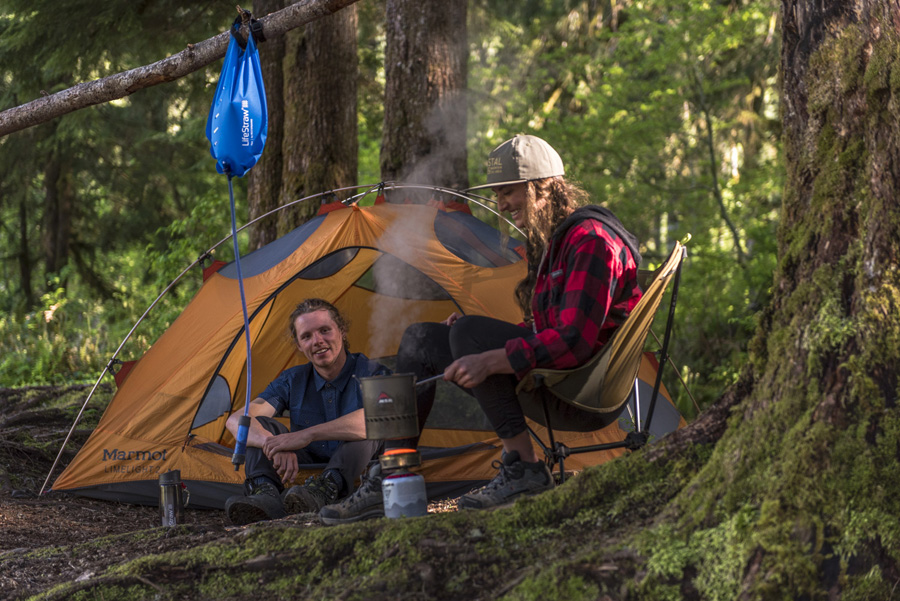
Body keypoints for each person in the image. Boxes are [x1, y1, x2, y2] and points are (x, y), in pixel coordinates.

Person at [318, 134, 643, 524]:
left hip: (583, 392)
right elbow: (547, 329)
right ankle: (391, 473)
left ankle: (523, 467)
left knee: (469, 335)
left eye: (509, 192)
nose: (501, 204)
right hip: (559, 377)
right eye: (498, 194)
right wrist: (484, 342)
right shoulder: (558, 241)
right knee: (420, 339)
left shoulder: (590, 241)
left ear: (542, 188)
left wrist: (492, 355)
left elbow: (574, 341)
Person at [224, 298, 389, 526]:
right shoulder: (293, 380)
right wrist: (272, 444)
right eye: (307, 336)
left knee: (370, 425)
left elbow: (383, 417)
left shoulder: (371, 372)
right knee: (260, 423)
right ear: (299, 345)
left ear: (341, 331)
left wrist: (306, 434)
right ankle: (265, 495)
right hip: (303, 465)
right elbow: (235, 421)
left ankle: (325, 490)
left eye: (324, 331)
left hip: (354, 465)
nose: (318, 341)